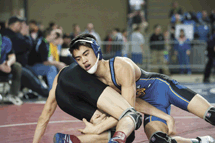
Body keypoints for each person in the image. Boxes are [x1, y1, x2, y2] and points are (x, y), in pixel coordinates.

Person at [70, 33, 215, 143]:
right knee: (158, 140)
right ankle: (201, 141)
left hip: (163, 88)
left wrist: (98, 128)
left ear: (96, 50)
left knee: (211, 115)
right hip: (147, 103)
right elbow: (131, 107)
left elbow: (127, 111)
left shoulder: (120, 66)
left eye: (86, 54)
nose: (84, 61)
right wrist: (166, 116)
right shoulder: (95, 83)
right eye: (78, 58)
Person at [2, 16, 49, 97]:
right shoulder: (8, 35)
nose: (21, 26)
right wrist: (26, 35)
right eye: (19, 23)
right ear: (14, 24)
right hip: (11, 66)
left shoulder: (16, 34)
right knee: (31, 78)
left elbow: (29, 45)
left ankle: (46, 92)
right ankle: (48, 94)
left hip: (19, 64)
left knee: (34, 77)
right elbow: (27, 45)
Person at [0, 33, 22, 105]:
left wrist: (8, 64)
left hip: (3, 65)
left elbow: (12, 56)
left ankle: (12, 95)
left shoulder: (5, 40)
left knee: (17, 66)